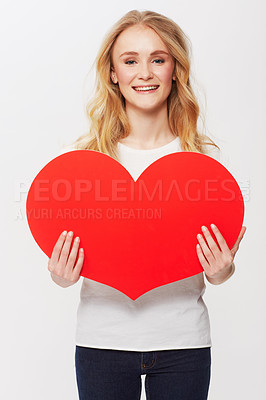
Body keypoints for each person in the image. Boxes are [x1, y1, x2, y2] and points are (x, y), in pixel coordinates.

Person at [48, 9, 246, 400]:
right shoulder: (84, 161)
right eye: (130, 60)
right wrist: (61, 275)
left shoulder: (203, 163)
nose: (145, 73)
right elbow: (64, 268)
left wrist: (224, 270)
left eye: (158, 59)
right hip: (102, 341)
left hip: (183, 342)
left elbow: (215, 273)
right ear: (112, 73)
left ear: (176, 71)